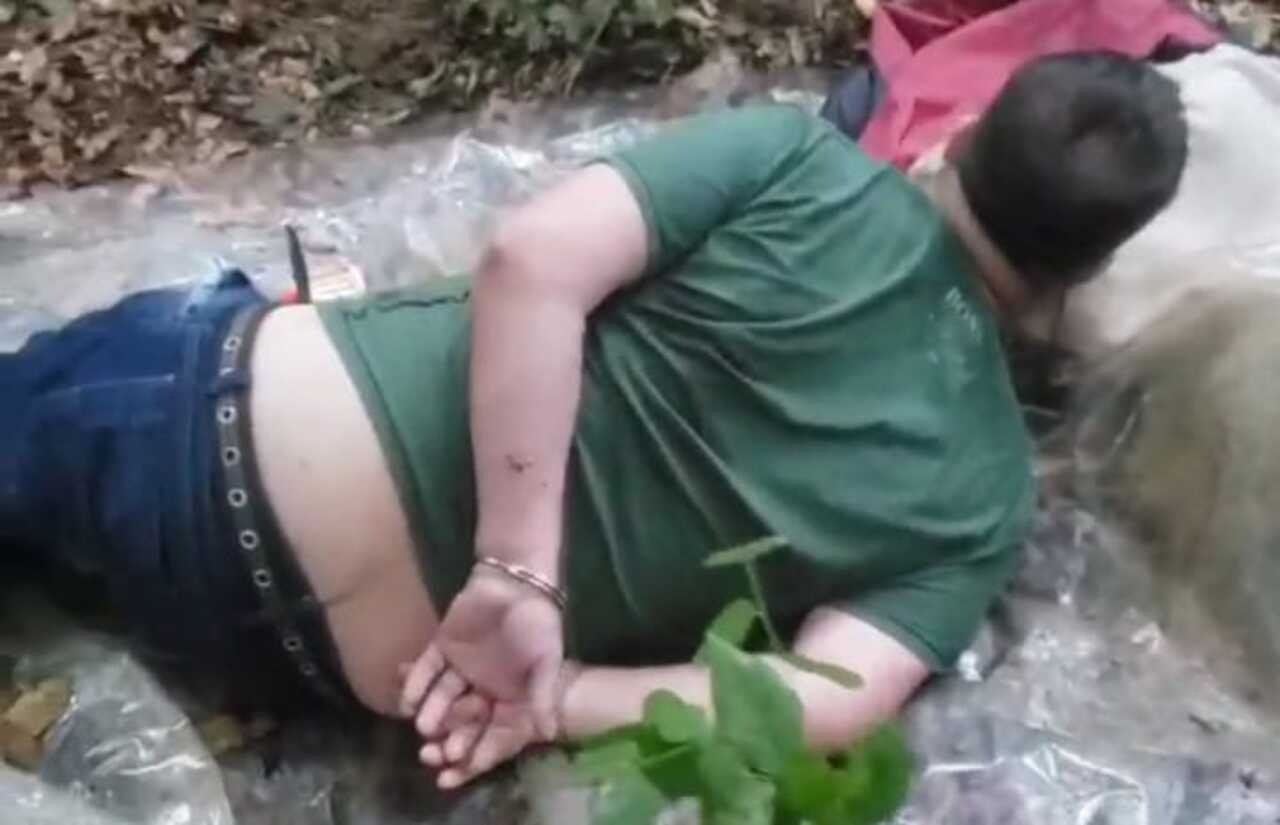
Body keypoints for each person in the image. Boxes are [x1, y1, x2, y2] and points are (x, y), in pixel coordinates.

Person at [0, 51, 1186, 790]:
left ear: (957, 133)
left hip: (191, 426)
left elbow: (531, 260)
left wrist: (515, 568)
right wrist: (549, 698)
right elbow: (823, 702)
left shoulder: (798, 163)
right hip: (295, 659)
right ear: (1082, 272)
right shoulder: (986, 498)